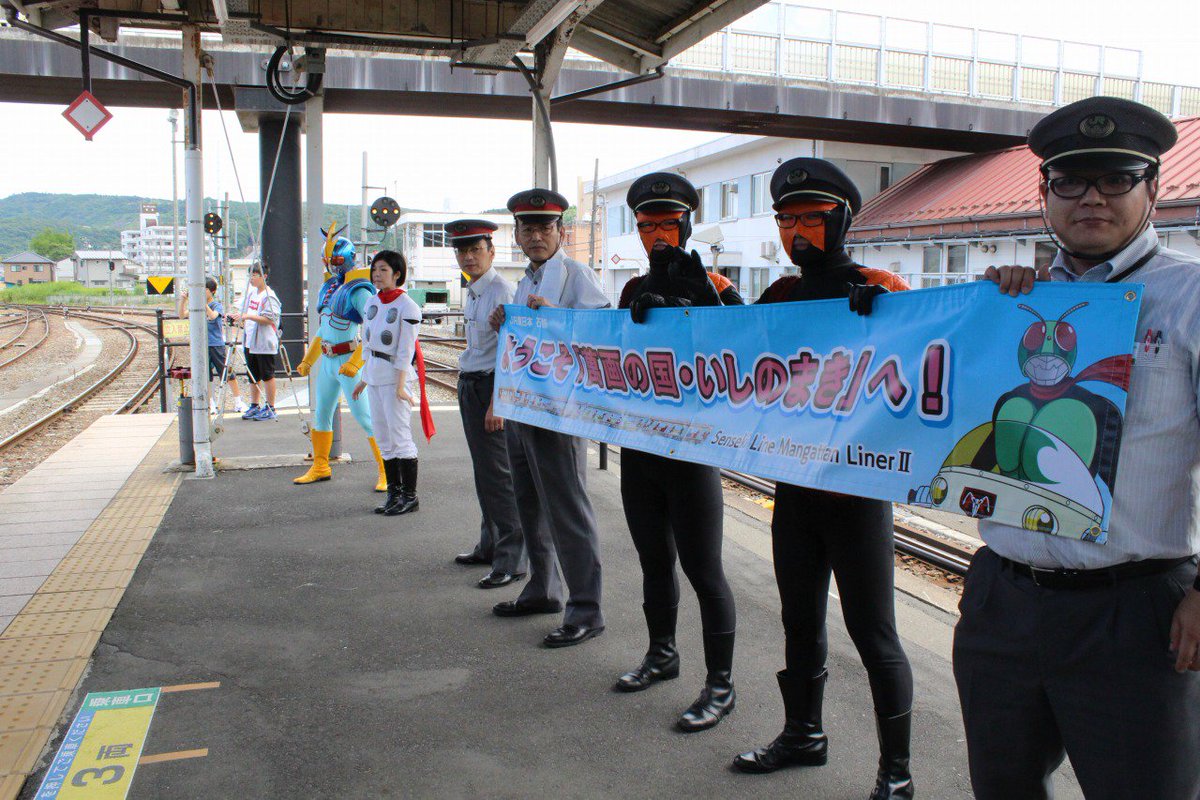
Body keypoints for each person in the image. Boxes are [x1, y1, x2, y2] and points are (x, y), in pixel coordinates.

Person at [961, 96, 1200, 800]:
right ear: (1044, 193)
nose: (1091, 197)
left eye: (1116, 178)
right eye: (1070, 181)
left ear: (1153, 188)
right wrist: (983, 316)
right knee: (1002, 788)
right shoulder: (1013, 301)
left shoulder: (1190, 296)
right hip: (1003, 602)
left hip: (1134, 614)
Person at [732, 158, 915, 800]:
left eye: (812, 217)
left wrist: (890, 322)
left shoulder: (881, 283)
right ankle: (802, 734)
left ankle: (897, 771)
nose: (797, 231)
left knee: (874, 633)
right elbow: (727, 349)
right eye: (787, 220)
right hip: (795, 490)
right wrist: (682, 299)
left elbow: (926, 362)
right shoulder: (780, 294)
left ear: (842, 220)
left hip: (857, 494)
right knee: (799, 621)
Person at [615, 172, 743, 732]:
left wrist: (705, 302)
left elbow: (750, 349)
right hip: (642, 447)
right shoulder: (630, 290)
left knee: (703, 569)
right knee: (653, 560)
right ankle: (661, 654)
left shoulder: (718, 283)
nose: (659, 237)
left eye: (669, 225)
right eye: (648, 227)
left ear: (687, 226)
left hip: (692, 452)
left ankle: (721, 684)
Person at [487, 188, 611, 648]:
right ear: (517, 234)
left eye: (545, 227)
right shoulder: (526, 280)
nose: (536, 236)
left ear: (561, 231)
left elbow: (604, 330)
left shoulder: (578, 275)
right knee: (530, 503)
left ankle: (587, 610)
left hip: (560, 411)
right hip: (524, 407)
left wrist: (558, 316)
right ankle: (543, 588)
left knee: (568, 509)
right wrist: (506, 321)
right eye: (528, 228)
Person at [448, 219, 528, 588]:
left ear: (491, 252)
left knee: (499, 476)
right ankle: (490, 544)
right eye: (462, 251)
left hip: (491, 389)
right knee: (484, 474)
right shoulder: (475, 290)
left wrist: (499, 402)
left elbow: (512, 352)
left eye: (476, 249)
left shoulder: (501, 291)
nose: (468, 257)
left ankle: (512, 560)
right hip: (472, 385)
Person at [292, 229, 389, 493]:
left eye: (335, 261)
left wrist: (356, 363)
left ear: (346, 259)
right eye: (327, 261)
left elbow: (374, 331)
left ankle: (387, 470)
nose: (331, 266)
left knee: (365, 416)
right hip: (328, 361)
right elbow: (322, 331)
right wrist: (308, 360)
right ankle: (321, 465)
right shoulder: (329, 288)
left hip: (347, 359)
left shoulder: (359, 291)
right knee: (321, 414)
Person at [352, 250, 435, 516]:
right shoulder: (372, 302)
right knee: (383, 436)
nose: (377, 274)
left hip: (394, 376)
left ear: (397, 274)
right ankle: (393, 494)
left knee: (400, 437)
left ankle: (409, 496)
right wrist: (364, 379)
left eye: (384, 269)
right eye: (375, 269)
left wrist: (400, 385)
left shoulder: (407, 306)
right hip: (375, 375)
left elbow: (405, 350)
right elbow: (367, 343)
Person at [178, 276, 247, 414]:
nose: (202, 292)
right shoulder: (196, 305)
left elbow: (213, 316)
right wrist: (183, 300)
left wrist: (202, 303)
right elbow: (181, 315)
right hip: (201, 345)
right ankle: (210, 403)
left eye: (205, 289)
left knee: (227, 372)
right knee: (205, 376)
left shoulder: (216, 305)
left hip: (216, 344)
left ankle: (238, 402)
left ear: (212, 291)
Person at [230, 262, 281, 421]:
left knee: (267, 375)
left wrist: (248, 316)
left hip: (264, 342)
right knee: (253, 374)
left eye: (254, 275)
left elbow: (271, 318)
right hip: (250, 341)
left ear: (264, 276)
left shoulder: (269, 296)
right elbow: (243, 310)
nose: (251, 279)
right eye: (250, 275)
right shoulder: (251, 293)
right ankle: (254, 405)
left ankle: (271, 407)